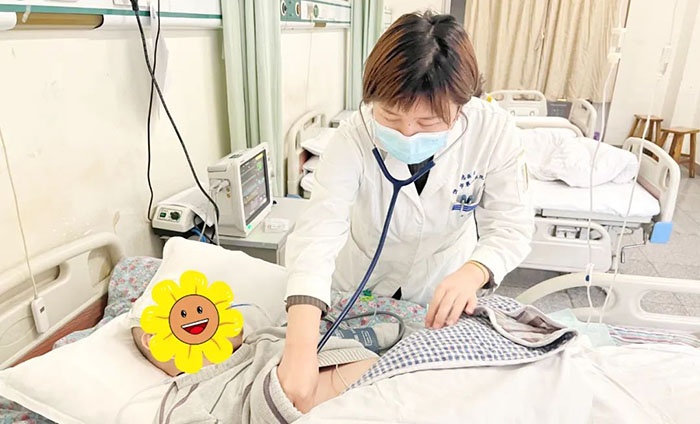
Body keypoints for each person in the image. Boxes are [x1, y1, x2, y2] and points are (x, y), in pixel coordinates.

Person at [279, 11, 534, 413]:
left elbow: (511, 226)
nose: (407, 132)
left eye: (427, 122)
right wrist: (299, 348)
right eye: (391, 117)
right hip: (357, 283)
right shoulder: (354, 136)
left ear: (461, 106)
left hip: (439, 286)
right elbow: (319, 232)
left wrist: (474, 271)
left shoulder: (493, 132)